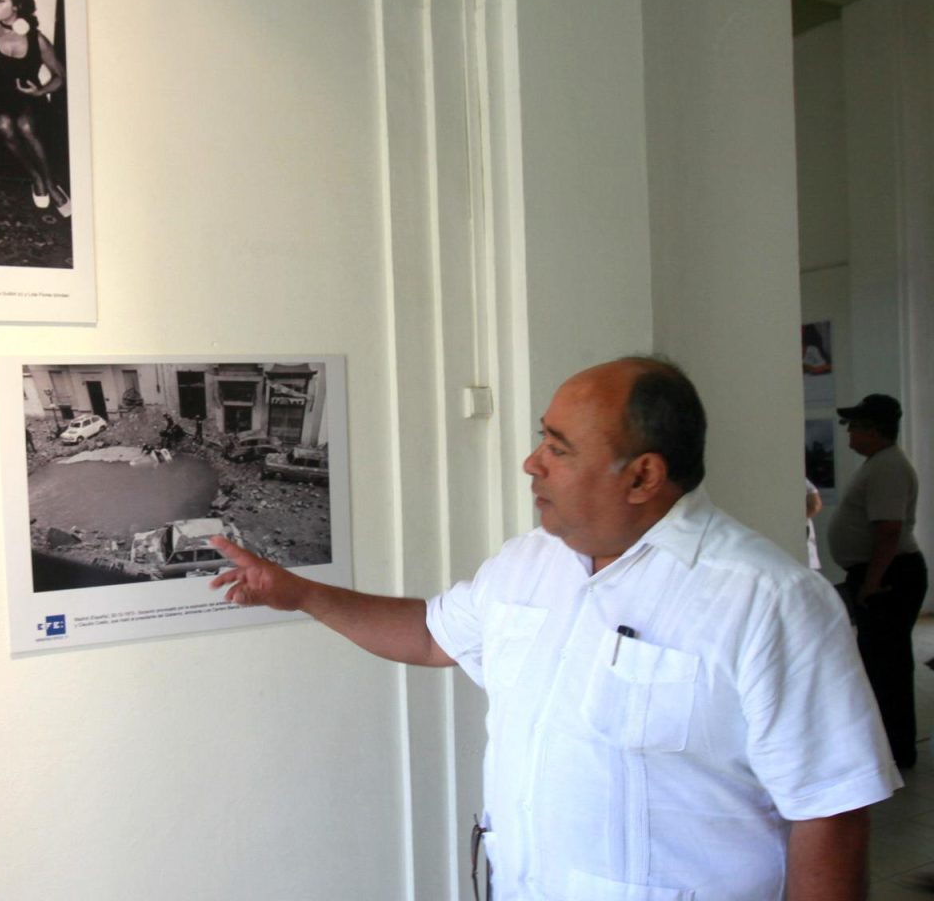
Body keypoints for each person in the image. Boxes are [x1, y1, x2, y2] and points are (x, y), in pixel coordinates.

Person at [210, 357, 898, 900]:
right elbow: (430, 633)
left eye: (558, 447)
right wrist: (297, 593)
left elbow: (831, 812)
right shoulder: (529, 561)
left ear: (643, 476)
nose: (532, 462)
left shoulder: (769, 601)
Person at [828, 393, 925, 770]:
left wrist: (872, 582)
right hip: (883, 573)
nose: (849, 432)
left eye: (854, 426)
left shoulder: (886, 468)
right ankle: (889, 745)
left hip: (889, 577)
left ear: (873, 430)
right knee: (881, 662)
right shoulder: (880, 464)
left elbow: (888, 530)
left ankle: (896, 749)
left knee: (887, 666)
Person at [0, 0, 70, 216]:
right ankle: (36, 177)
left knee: (25, 125)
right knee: (4, 124)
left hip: (28, 97)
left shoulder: (37, 39)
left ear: (17, 4)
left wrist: (41, 91)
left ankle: (51, 183)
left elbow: (62, 76)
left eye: (0, 0)